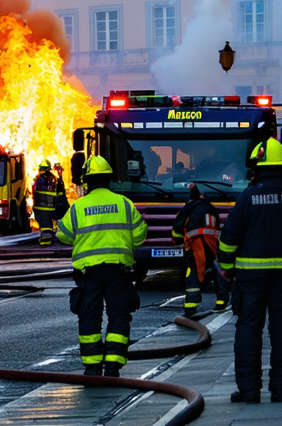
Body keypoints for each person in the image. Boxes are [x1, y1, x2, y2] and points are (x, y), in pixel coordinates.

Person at [218, 138, 282, 404]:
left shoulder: (247, 198)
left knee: (248, 332)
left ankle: (249, 391)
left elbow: (228, 239)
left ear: (258, 168)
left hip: (250, 279)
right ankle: (281, 390)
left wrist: (228, 270)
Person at [54, 155, 148, 377]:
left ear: (86, 181)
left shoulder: (78, 207)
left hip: (89, 274)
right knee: (119, 315)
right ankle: (113, 365)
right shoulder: (124, 204)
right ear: (109, 179)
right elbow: (140, 236)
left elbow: (63, 236)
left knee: (89, 317)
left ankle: (92, 367)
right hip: (118, 272)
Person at [170, 184, 229, 317]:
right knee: (216, 268)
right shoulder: (211, 208)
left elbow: (178, 226)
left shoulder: (189, 207)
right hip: (212, 242)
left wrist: (177, 239)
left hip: (195, 241)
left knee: (193, 268)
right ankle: (221, 300)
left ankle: (191, 304)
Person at [33, 160, 63, 246]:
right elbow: (60, 193)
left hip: (41, 210)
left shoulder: (38, 179)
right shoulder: (54, 179)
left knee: (45, 229)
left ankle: (45, 244)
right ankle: (52, 240)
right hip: (53, 209)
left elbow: (35, 194)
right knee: (50, 227)